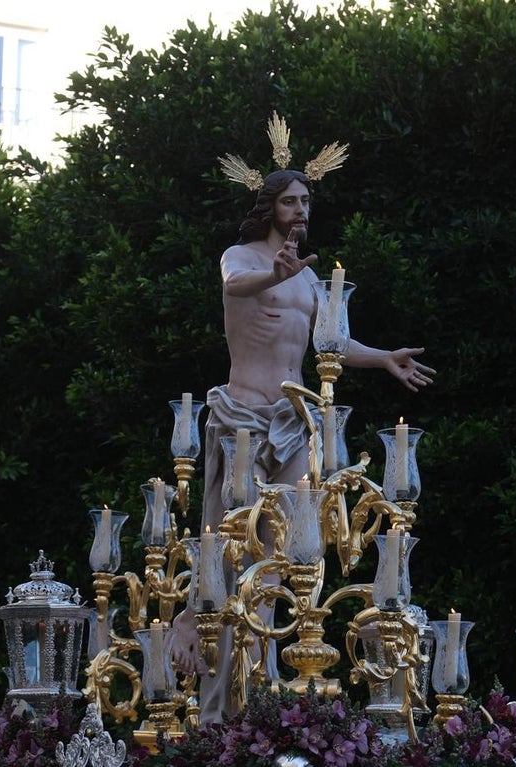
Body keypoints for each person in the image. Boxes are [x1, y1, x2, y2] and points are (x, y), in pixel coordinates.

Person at [170, 168, 435, 723]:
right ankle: (208, 661)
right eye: (290, 201)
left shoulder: (311, 282)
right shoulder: (241, 257)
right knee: (225, 542)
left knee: (288, 549)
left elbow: (332, 342)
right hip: (242, 417)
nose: (301, 211)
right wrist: (272, 273)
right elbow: (234, 287)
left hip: (292, 422)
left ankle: (264, 676)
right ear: (269, 207)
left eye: (306, 201)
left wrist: (383, 357)